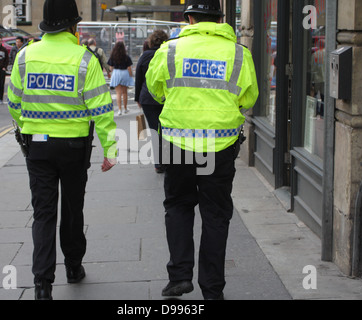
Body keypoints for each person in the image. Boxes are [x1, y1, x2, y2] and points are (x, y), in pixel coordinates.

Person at [146, 0, 259, 300]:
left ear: (190, 18)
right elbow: (249, 98)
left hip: (176, 142)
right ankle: (212, 290)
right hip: (219, 146)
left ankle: (180, 276)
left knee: (178, 205)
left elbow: (155, 89)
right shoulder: (238, 53)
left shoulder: (169, 50)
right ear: (219, 18)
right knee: (215, 215)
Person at [7, 0, 117, 300]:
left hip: (37, 147)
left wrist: (26, 125)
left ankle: (42, 284)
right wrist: (110, 149)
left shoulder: (25, 56)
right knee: (71, 209)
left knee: (43, 214)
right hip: (73, 147)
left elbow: (14, 103)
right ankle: (73, 266)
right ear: (73, 26)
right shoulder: (84, 59)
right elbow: (101, 109)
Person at [135, 30, 169, 173]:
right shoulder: (168, 55)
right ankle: (168, 161)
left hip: (148, 98)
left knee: (154, 130)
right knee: (167, 130)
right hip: (165, 98)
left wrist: (137, 98)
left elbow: (139, 78)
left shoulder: (145, 56)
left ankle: (158, 163)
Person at [107, 41, 134, 116]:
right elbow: (129, 67)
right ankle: (125, 108)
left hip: (116, 73)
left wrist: (112, 72)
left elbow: (111, 68)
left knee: (118, 93)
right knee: (125, 92)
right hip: (125, 73)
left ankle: (119, 110)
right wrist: (131, 75)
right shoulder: (126, 57)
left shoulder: (113, 56)